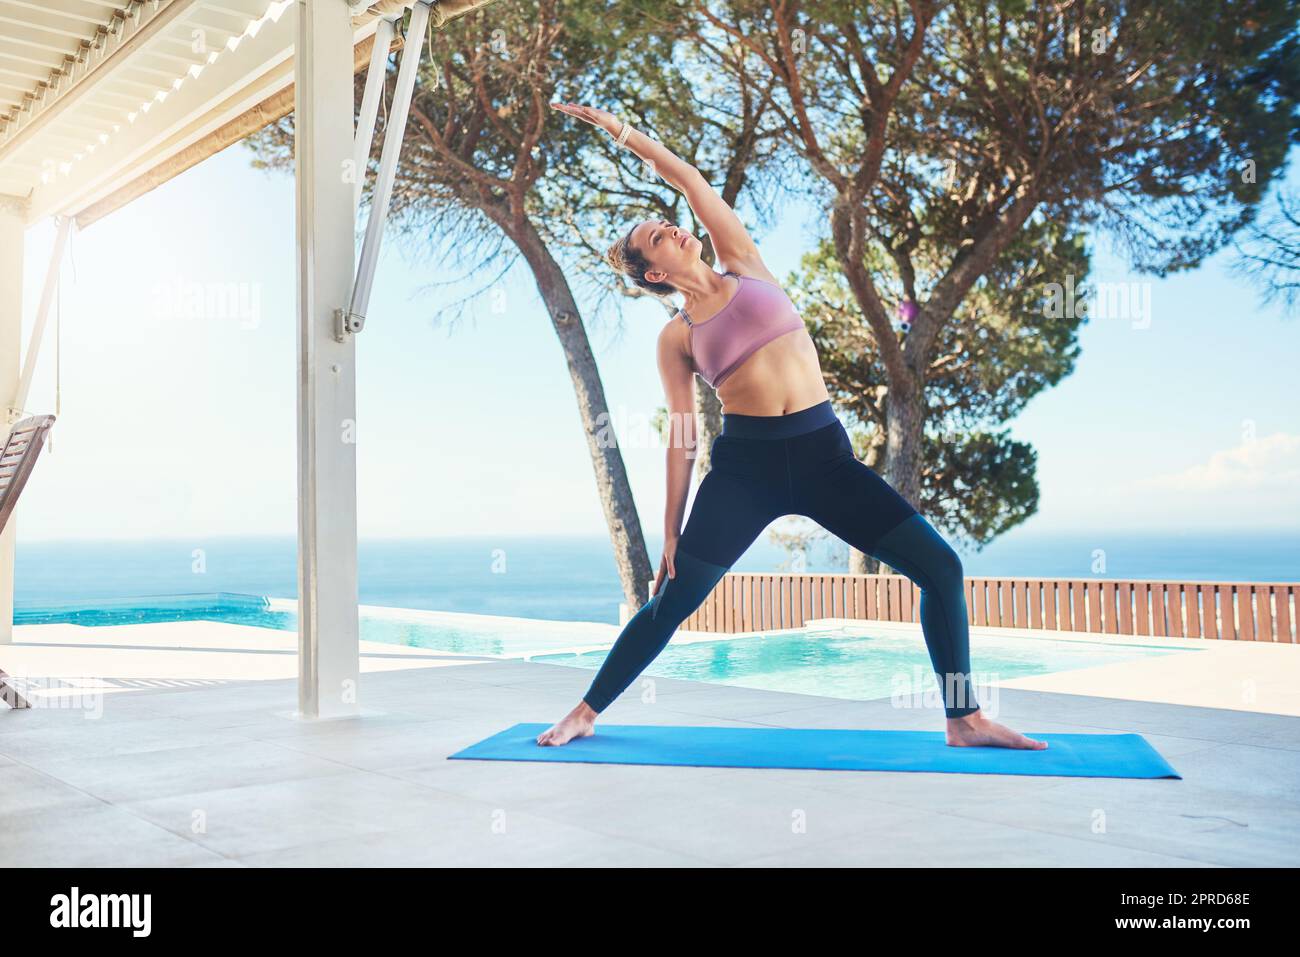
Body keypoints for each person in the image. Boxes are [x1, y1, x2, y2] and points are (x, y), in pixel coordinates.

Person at [539, 102, 1046, 753]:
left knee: (941, 567)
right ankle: (585, 710)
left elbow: (689, 180)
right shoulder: (677, 337)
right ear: (655, 272)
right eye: (658, 237)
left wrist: (621, 131)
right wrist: (669, 529)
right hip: (744, 471)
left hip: (824, 458)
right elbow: (683, 435)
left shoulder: (742, 260)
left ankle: (964, 718)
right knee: (673, 600)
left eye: (668, 222)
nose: (673, 226)